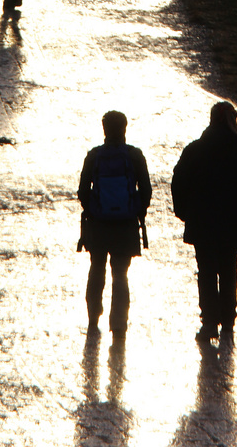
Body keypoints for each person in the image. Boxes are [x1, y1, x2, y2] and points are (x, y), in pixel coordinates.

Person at [172, 100, 237, 342]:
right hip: (233, 222)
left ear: (211, 120)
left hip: (202, 221)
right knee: (229, 269)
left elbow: (178, 182)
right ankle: (228, 322)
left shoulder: (195, 149)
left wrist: (184, 212)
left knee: (207, 270)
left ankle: (209, 322)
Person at [78, 111, 152, 336]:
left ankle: (93, 316)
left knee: (96, 269)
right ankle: (119, 323)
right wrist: (136, 211)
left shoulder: (94, 156)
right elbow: (146, 190)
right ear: (125, 128)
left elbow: (83, 191)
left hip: (98, 224)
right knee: (120, 274)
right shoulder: (135, 156)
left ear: (104, 129)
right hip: (125, 225)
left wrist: (93, 211)